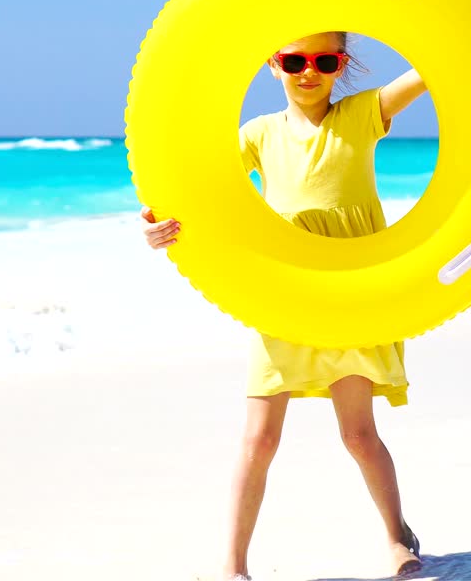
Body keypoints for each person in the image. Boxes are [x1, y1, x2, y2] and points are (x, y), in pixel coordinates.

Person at [140, 31, 429, 581]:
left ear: (341, 65)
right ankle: (233, 563)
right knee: (260, 436)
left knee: (358, 434)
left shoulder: (362, 115)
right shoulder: (259, 134)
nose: (308, 71)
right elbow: (200, 190)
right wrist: (158, 226)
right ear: (273, 65)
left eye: (324, 60)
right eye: (294, 60)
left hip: (348, 290)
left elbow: (431, 72)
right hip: (285, 294)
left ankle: (396, 536)